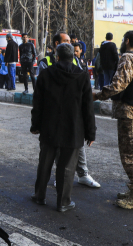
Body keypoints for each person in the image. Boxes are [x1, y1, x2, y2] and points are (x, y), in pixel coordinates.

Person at [31, 43, 95, 212]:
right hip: (73, 130)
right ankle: (63, 202)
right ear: (73, 57)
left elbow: (38, 103)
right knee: (67, 167)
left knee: (44, 163)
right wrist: (91, 133)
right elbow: (88, 107)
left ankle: (39, 196)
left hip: (49, 127)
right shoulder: (82, 76)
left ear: (56, 57)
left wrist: (35, 125)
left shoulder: (45, 75)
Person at [94, 30, 133, 210]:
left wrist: (98, 95)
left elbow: (118, 85)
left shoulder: (128, 58)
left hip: (130, 113)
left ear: (127, 41)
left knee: (131, 153)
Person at [37, 32, 100, 188]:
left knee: (77, 146)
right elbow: (40, 94)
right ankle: (61, 178)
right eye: (66, 41)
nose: (71, 43)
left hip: (72, 114)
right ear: (57, 44)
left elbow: (83, 90)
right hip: (53, 114)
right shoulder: (45, 63)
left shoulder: (76, 61)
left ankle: (83, 174)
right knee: (57, 149)